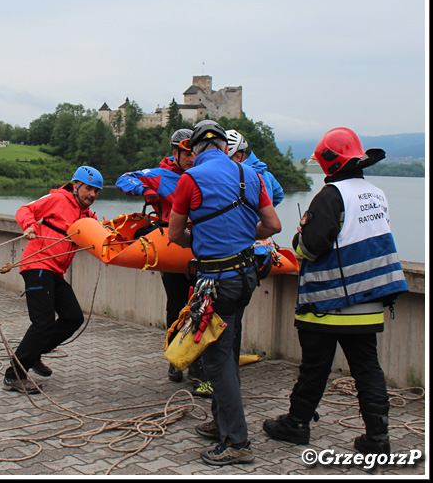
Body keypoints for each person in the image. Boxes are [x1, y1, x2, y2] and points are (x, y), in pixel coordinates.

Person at [262, 127, 409, 455]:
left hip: (329, 303)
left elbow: (312, 248)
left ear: (329, 163)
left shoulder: (331, 196)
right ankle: (378, 438)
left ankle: (296, 423)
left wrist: (299, 239)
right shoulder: (376, 193)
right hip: (369, 301)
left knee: (315, 367)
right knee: (368, 368)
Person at [168, 120, 281, 466]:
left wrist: (199, 239)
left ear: (197, 149)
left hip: (216, 281)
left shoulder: (190, 179)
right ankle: (220, 423)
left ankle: (237, 442)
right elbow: (273, 226)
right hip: (247, 276)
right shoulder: (250, 176)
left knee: (217, 361)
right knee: (228, 348)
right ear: (224, 146)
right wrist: (247, 232)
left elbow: (174, 235)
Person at [2, 165, 103, 394]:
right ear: (75, 185)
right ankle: (14, 375)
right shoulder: (57, 198)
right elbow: (25, 209)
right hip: (37, 265)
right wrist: (29, 226)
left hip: (55, 271)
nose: (93, 195)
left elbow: (102, 231)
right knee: (43, 323)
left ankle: (34, 354)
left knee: (73, 317)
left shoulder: (87, 216)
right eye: (89, 189)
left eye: (97, 191)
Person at [116, 128, 204, 387]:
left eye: (195, 154)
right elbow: (124, 179)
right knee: (176, 304)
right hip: (172, 247)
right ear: (175, 153)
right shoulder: (160, 175)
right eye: (186, 154)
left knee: (201, 305)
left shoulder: (203, 174)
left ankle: (197, 364)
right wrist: (145, 191)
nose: (192, 159)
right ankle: (175, 359)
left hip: (199, 245)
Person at [226, 129, 285, 281]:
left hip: (245, 253)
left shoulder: (240, 177)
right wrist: (265, 213)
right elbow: (278, 195)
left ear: (238, 156)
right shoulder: (266, 174)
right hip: (265, 251)